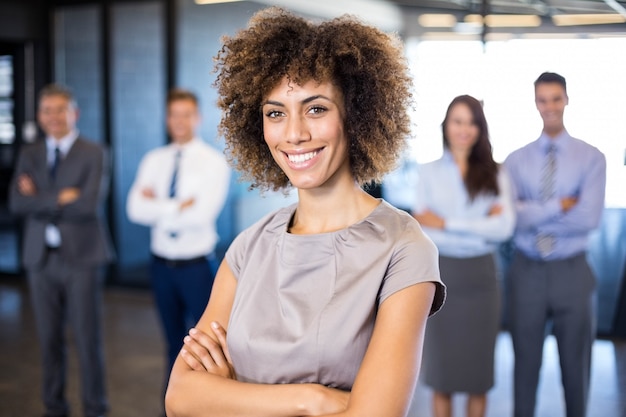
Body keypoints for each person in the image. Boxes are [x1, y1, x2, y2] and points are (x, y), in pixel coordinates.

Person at [165, 7, 446, 417]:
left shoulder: (403, 249)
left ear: (355, 115)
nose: (294, 134)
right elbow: (180, 397)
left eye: (316, 109)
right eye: (275, 113)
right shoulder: (250, 247)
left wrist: (229, 395)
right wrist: (312, 399)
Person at [504, 72, 606, 417]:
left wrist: (532, 210)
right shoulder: (515, 161)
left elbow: (589, 218)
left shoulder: (592, 158)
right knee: (525, 367)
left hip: (572, 272)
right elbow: (511, 218)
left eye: (555, 98)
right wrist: (560, 205)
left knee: (577, 369)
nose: (549, 106)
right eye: (542, 99)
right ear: (535, 103)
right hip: (526, 271)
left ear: (566, 99)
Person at [9, 83, 114, 417]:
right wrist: (59, 196)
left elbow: (87, 205)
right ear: (39, 116)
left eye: (60, 109)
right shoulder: (30, 153)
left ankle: (95, 409)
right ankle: (54, 408)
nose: (53, 117)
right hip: (40, 259)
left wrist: (38, 197)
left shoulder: (94, 151)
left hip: (81, 258)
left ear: (75, 113)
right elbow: (15, 202)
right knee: (48, 340)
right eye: (46, 110)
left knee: (87, 340)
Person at [412, 95, 515, 417]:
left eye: (471, 122)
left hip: (482, 278)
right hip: (440, 275)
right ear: (446, 126)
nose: (464, 129)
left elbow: (505, 228)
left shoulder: (496, 173)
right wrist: (482, 223)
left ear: (480, 128)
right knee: (441, 376)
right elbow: (423, 231)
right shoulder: (426, 173)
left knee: (477, 377)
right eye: (457, 121)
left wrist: (445, 222)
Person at [126, 88, 230, 395]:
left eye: (186, 114)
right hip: (161, 267)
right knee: (172, 343)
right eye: (174, 115)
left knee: (205, 348)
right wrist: (175, 206)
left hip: (197, 267)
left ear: (197, 118)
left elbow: (201, 215)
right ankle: (172, 406)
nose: (180, 121)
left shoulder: (213, 162)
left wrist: (156, 205)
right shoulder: (154, 160)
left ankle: (206, 407)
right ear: (167, 118)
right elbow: (134, 210)